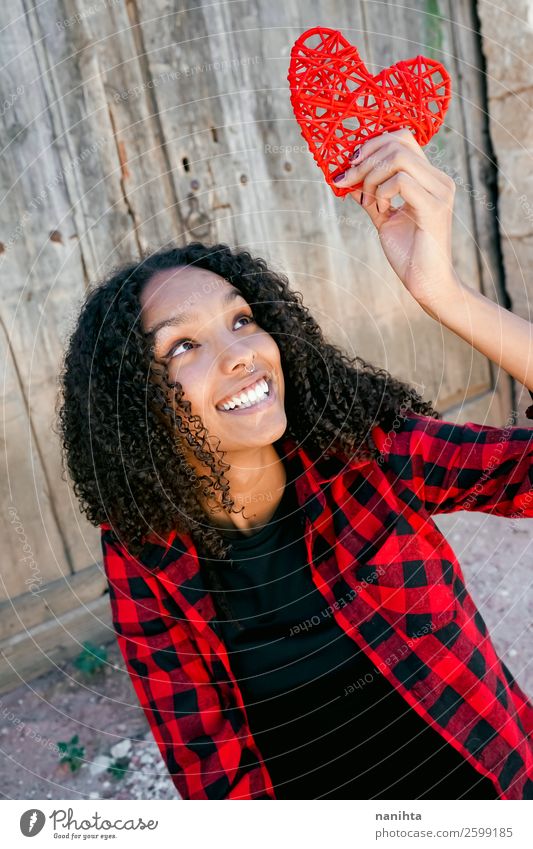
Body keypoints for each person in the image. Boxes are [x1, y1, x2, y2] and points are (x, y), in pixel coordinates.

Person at [57, 129, 533, 800]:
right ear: (133, 408)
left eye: (243, 319)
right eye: (183, 345)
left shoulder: (362, 453)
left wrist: (444, 292)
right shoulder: (144, 549)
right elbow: (212, 776)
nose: (240, 353)